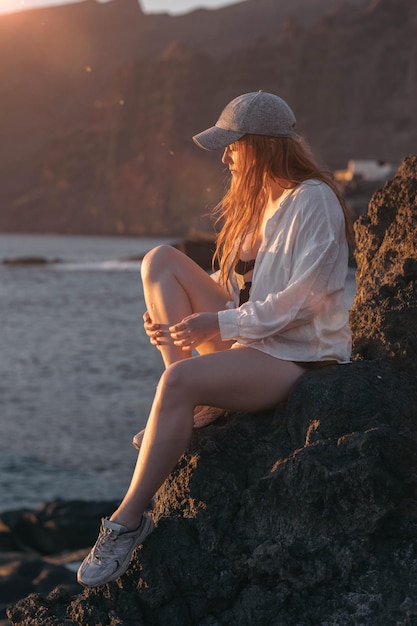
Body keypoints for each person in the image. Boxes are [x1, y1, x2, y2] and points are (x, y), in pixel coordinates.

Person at [77, 91, 353, 588]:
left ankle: (126, 521)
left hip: (298, 354)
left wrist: (217, 327)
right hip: (254, 343)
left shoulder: (313, 199)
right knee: (160, 260)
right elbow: (238, 292)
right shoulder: (258, 207)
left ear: (261, 146)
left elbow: (305, 300)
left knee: (181, 381)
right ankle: (193, 406)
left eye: (231, 145)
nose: (224, 155)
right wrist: (183, 323)